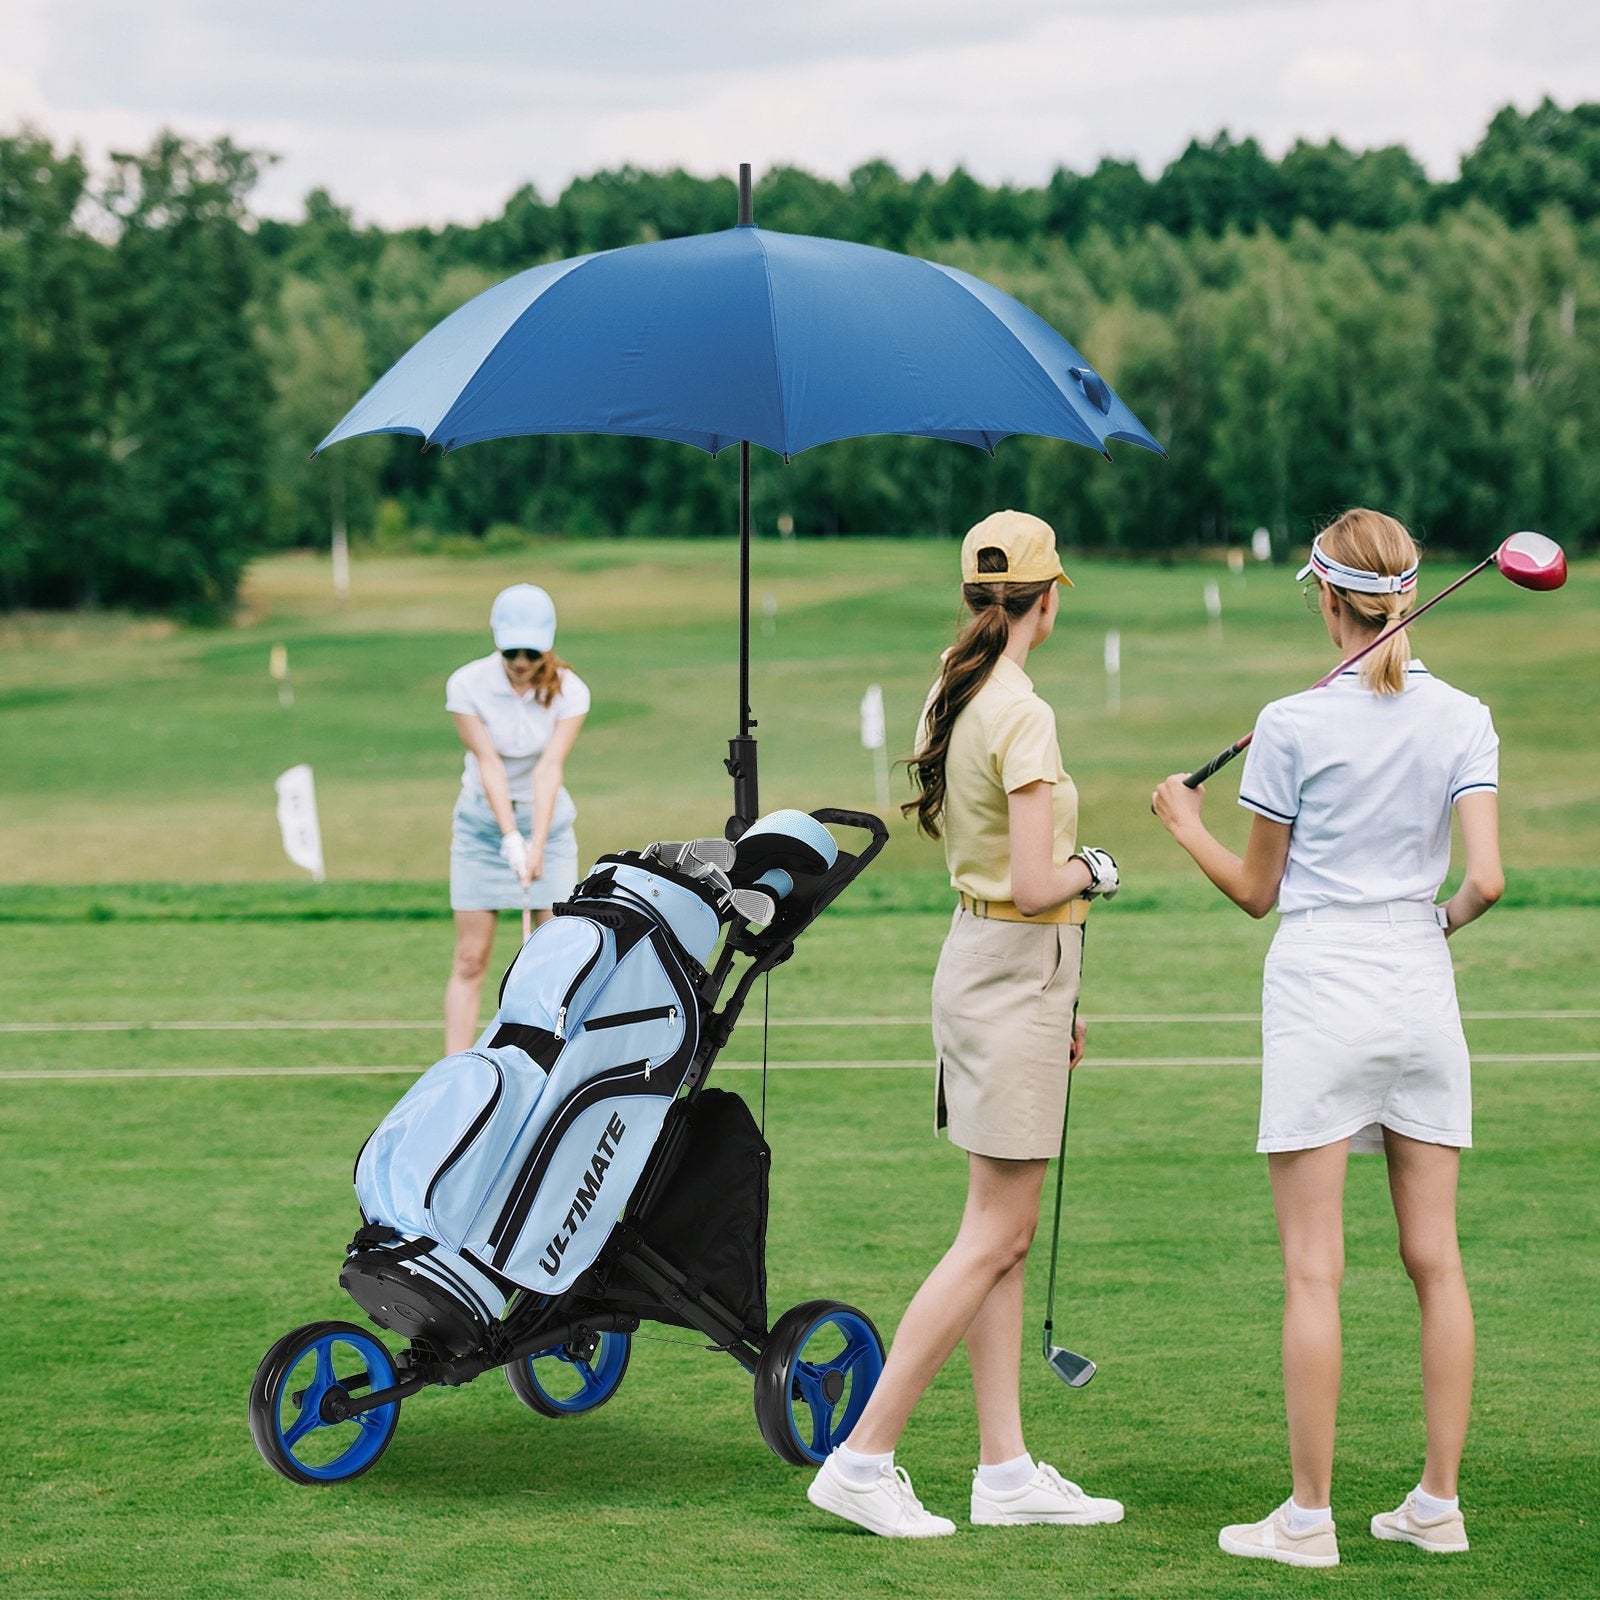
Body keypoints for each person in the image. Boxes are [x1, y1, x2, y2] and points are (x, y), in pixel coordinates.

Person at [1152, 508, 1502, 1570]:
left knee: (1315, 1272)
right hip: (1418, 986)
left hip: (1320, 990)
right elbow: (1483, 880)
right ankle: (1435, 1504)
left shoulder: (1291, 721)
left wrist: (1183, 822)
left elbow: (1257, 892)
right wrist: (1421, 927)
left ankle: (1307, 1521)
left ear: (1324, 597)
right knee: (1435, 1263)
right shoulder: (1465, 715)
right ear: (1399, 598)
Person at [805, 510, 1124, 1539]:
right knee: (992, 1231)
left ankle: (1004, 1468)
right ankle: (864, 1456)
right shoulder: (1020, 708)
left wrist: (1062, 980)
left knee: (1005, 1231)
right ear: (1051, 596)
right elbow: (1038, 883)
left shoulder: (955, 681)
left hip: (989, 964)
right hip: (1012, 963)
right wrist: (1098, 871)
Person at [443, 583, 590, 1054]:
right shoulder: (466, 685)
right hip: (481, 832)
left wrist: (537, 843)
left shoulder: (571, 691)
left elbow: (549, 768)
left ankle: (546, 1060)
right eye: (512, 651)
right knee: (471, 958)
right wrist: (509, 836)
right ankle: (453, 1073)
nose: (521, 661)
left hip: (550, 829)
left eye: (530, 651)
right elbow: (489, 763)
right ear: (496, 641)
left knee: (554, 960)